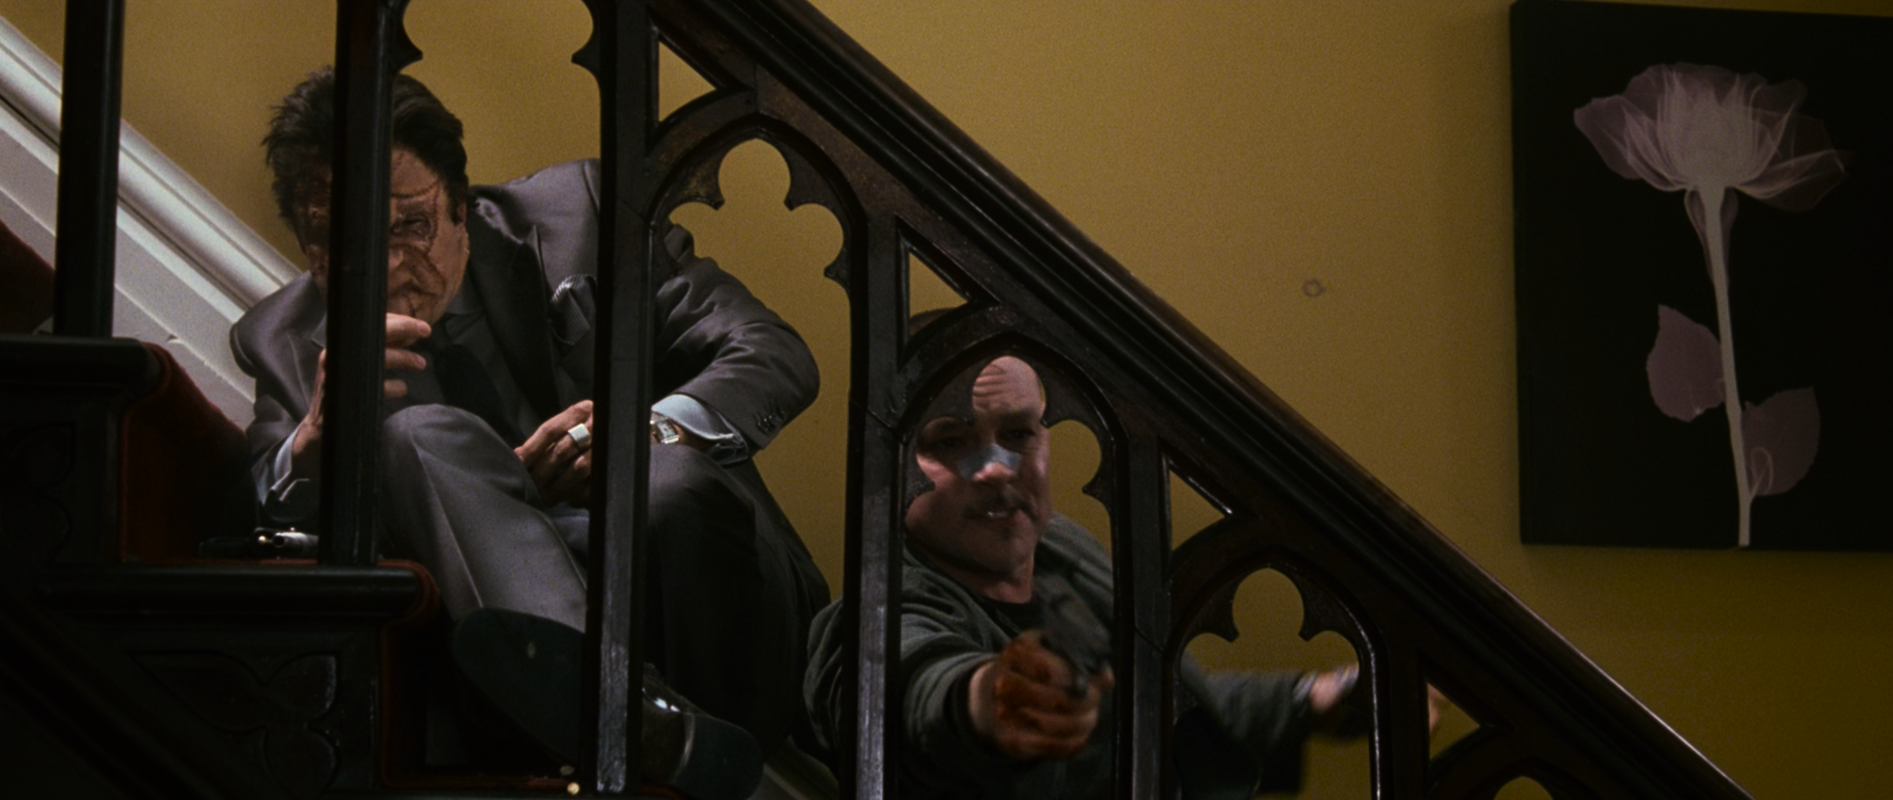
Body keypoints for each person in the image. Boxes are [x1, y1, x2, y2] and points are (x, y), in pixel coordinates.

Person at [230, 67, 827, 794]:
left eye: (411, 226)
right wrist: (315, 443)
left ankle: (612, 709)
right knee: (414, 434)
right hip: (504, 663)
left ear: (461, 204)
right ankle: (629, 714)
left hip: (701, 597)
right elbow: (263, 513)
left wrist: (644, 433)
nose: (383, 267)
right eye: (337, 239)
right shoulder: (282, 339)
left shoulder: (578, 214)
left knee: (662, 481)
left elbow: (771, 352)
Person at [804, 354, 1440, 797]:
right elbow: (914, 685)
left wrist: (1310, 702)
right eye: (950, 441)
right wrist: (990, 703)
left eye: (1018, 434)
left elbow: (1154, 706)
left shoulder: (1058, 548)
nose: (995, 468)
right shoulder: (873, 615)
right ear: (892, 459)